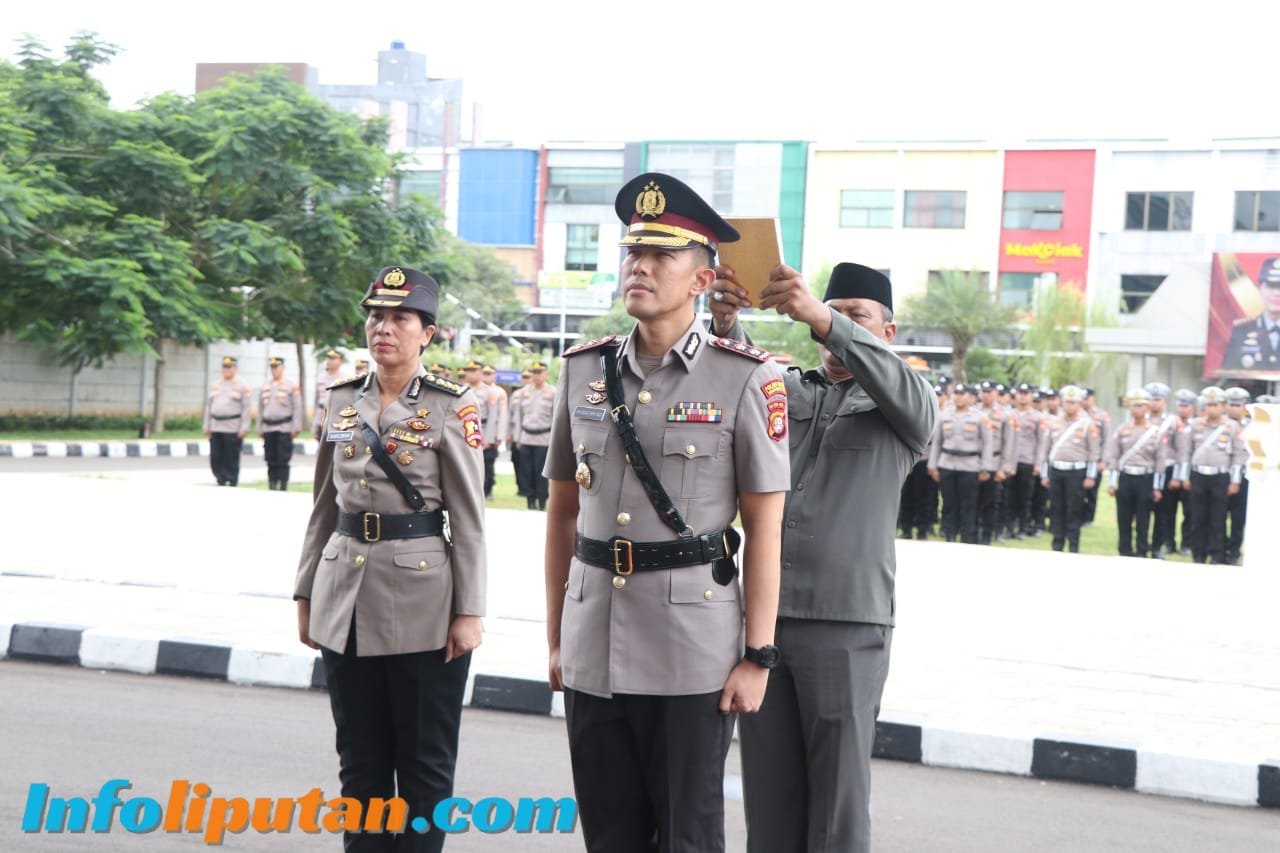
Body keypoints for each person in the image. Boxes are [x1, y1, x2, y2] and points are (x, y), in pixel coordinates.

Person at [543, 172, 790, 853]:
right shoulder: (583, 370)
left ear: (703, 280)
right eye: (633, 253)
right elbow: (563, 512)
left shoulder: (746, 378)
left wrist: (758, 655)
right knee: (610, 836)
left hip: (693, 654)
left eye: (662, 255)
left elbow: (765, 528)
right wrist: (558, 633)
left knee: (688, 836)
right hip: (594, 640)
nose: (640, 267)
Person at [709, 261, 937, 853]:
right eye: (832, 310)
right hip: (766, 621)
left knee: (838, 797)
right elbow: (738, 375)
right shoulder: (790, 390)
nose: (835, 325)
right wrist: (727, 323)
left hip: (846, 623)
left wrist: (820, 314)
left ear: (886, 333)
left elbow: (906, 392)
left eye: (855, 316)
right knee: (770, 790)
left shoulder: (904, 405)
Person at [294, 265, 486, 853]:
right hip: (344, 601)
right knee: (360, 764)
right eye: (376, 316)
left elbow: (471, 519)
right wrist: (305, 592)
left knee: (424, 770)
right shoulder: (340, 400)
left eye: (400, 318)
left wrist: (470, 611)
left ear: (427, 332)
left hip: (425, 605)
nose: (384, 328)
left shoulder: (452, 406)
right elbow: (324, 505)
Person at [1103, 388, 1167, 558]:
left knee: (1143, 518)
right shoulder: (1121, 429)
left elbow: (1160, 460)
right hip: (1126, 477)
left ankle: (1141, 550)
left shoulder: (1156, 431)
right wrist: (1112, 482)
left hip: (1145, 477)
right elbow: (1114, 456)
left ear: (1147, 408)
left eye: (1140, 406)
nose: (1136, 409)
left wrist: (1157, 487)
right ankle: (1124, 550)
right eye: (1133, 406)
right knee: (1123, 517)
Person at [928, 383, 993, 544]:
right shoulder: (944, 415)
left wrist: (985, 467)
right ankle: (949, 534)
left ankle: (967, 536)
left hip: (970, 466)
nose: (958, 396)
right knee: (949, 503)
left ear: (970, 397)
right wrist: (932, 465)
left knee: (968, 504)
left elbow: (987, 443)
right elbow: (936, 442)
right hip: (947, 464)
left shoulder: (980, 417)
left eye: (962, 393)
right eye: (956, 393)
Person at [1040, 385, 1100, 553]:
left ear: (1080, 404)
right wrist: (1045, 474)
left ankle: (1073, 546)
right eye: (1066, 402)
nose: (1069, 406)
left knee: (1074, 509)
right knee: (1056, 508)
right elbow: (1045, 450)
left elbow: (1093, 452)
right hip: (1057, 470)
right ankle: (1057, 544)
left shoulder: (1087, 424)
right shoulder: (1053, 422)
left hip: (1076, 472)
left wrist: (1090, 476)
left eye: (1073, 402)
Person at [510, 361, 556, 510]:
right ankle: (530, 501)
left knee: (541, 472)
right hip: (526, 437)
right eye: (534, 373)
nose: (536, 376)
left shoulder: (553, 392)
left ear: (546, 374)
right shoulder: (524, 392)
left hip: (544, 438)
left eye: (539, 373)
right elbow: (519, 416)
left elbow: (557, 418)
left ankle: (542, 502)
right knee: (526, 472)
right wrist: (517, 438)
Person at [1222, 257, 1280, 371]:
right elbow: (1229, 371)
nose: (1277, 293)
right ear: (1260, 289)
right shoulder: (1242, 331)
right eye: (1271, 286)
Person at [203, 355, 252, 487]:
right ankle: (220, 478)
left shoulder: (242, 385)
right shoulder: (216, 385)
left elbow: (246, 409)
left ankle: (231, 480)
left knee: (231, 457)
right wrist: (206, 425)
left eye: (229, 367)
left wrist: (244, 427)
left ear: (235, 368)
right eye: (224, 367)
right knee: (215, 457)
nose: (226, 370)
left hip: (233, 426)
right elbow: (209, 406)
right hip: (216, 426)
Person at [1006, 383, 1045, 538]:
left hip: (1027, 461)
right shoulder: (1009, 415)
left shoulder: (1037, 417)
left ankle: (1023, 527)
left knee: (1025, 498)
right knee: (1009, 497)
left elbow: (1041, 442)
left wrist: (1038, 463)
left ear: (1032, 396)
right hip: (1010, 462)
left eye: (1026, 393)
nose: (1023, 396)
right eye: (1020, 392)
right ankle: (1009, 528)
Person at [259, 356, 303, 491]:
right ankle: (272, 484)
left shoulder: (291, 385)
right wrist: (260, 427)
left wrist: (296, 426)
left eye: (276, 367)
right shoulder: (266, 385)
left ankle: (283, 485)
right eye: (272, 367)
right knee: (270, 459)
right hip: (268, 427)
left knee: (283, 459)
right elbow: (260, 408)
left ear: (283, 368)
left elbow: (297, 407)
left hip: (284, 427)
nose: (274, 370)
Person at [507, 368, 533, 499]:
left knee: (528, 464)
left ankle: (527, 488)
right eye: (524, 377)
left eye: (528, 377)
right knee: (516, 462)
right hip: (515, 433)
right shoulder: (516, 394)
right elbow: (510, 415)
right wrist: (508, 433)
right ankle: (521, 487)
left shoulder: (535, 394)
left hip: (528, 434)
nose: (526, 380)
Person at [314, 349, 346, 440]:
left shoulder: (345, 378)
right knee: (320, 445)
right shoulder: (321, 377)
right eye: (328, 358)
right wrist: (315, 422)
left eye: (333, 359)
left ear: (340, 361)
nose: (329, 361)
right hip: (321, 416)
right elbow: (316, 400)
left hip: (336, 417)